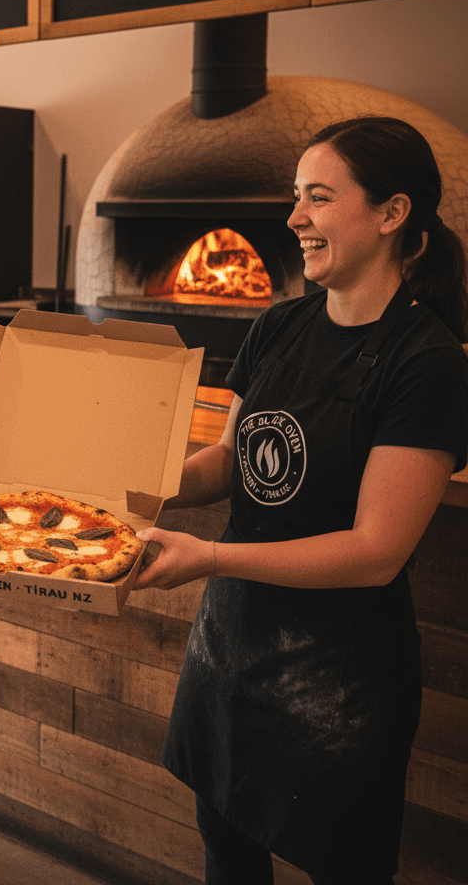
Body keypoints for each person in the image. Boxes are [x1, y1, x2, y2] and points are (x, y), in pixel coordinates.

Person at [134, 115, 468, 884]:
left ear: (392, 214)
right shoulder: (279, 324)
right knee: (228, 853)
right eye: (295, 196)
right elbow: (227, 462)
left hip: (341, 678)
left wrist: (210, 556)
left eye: (318, 197)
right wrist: (123, 488)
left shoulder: (429, 362)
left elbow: (376, 550)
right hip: (232, 650)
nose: (294, 219)